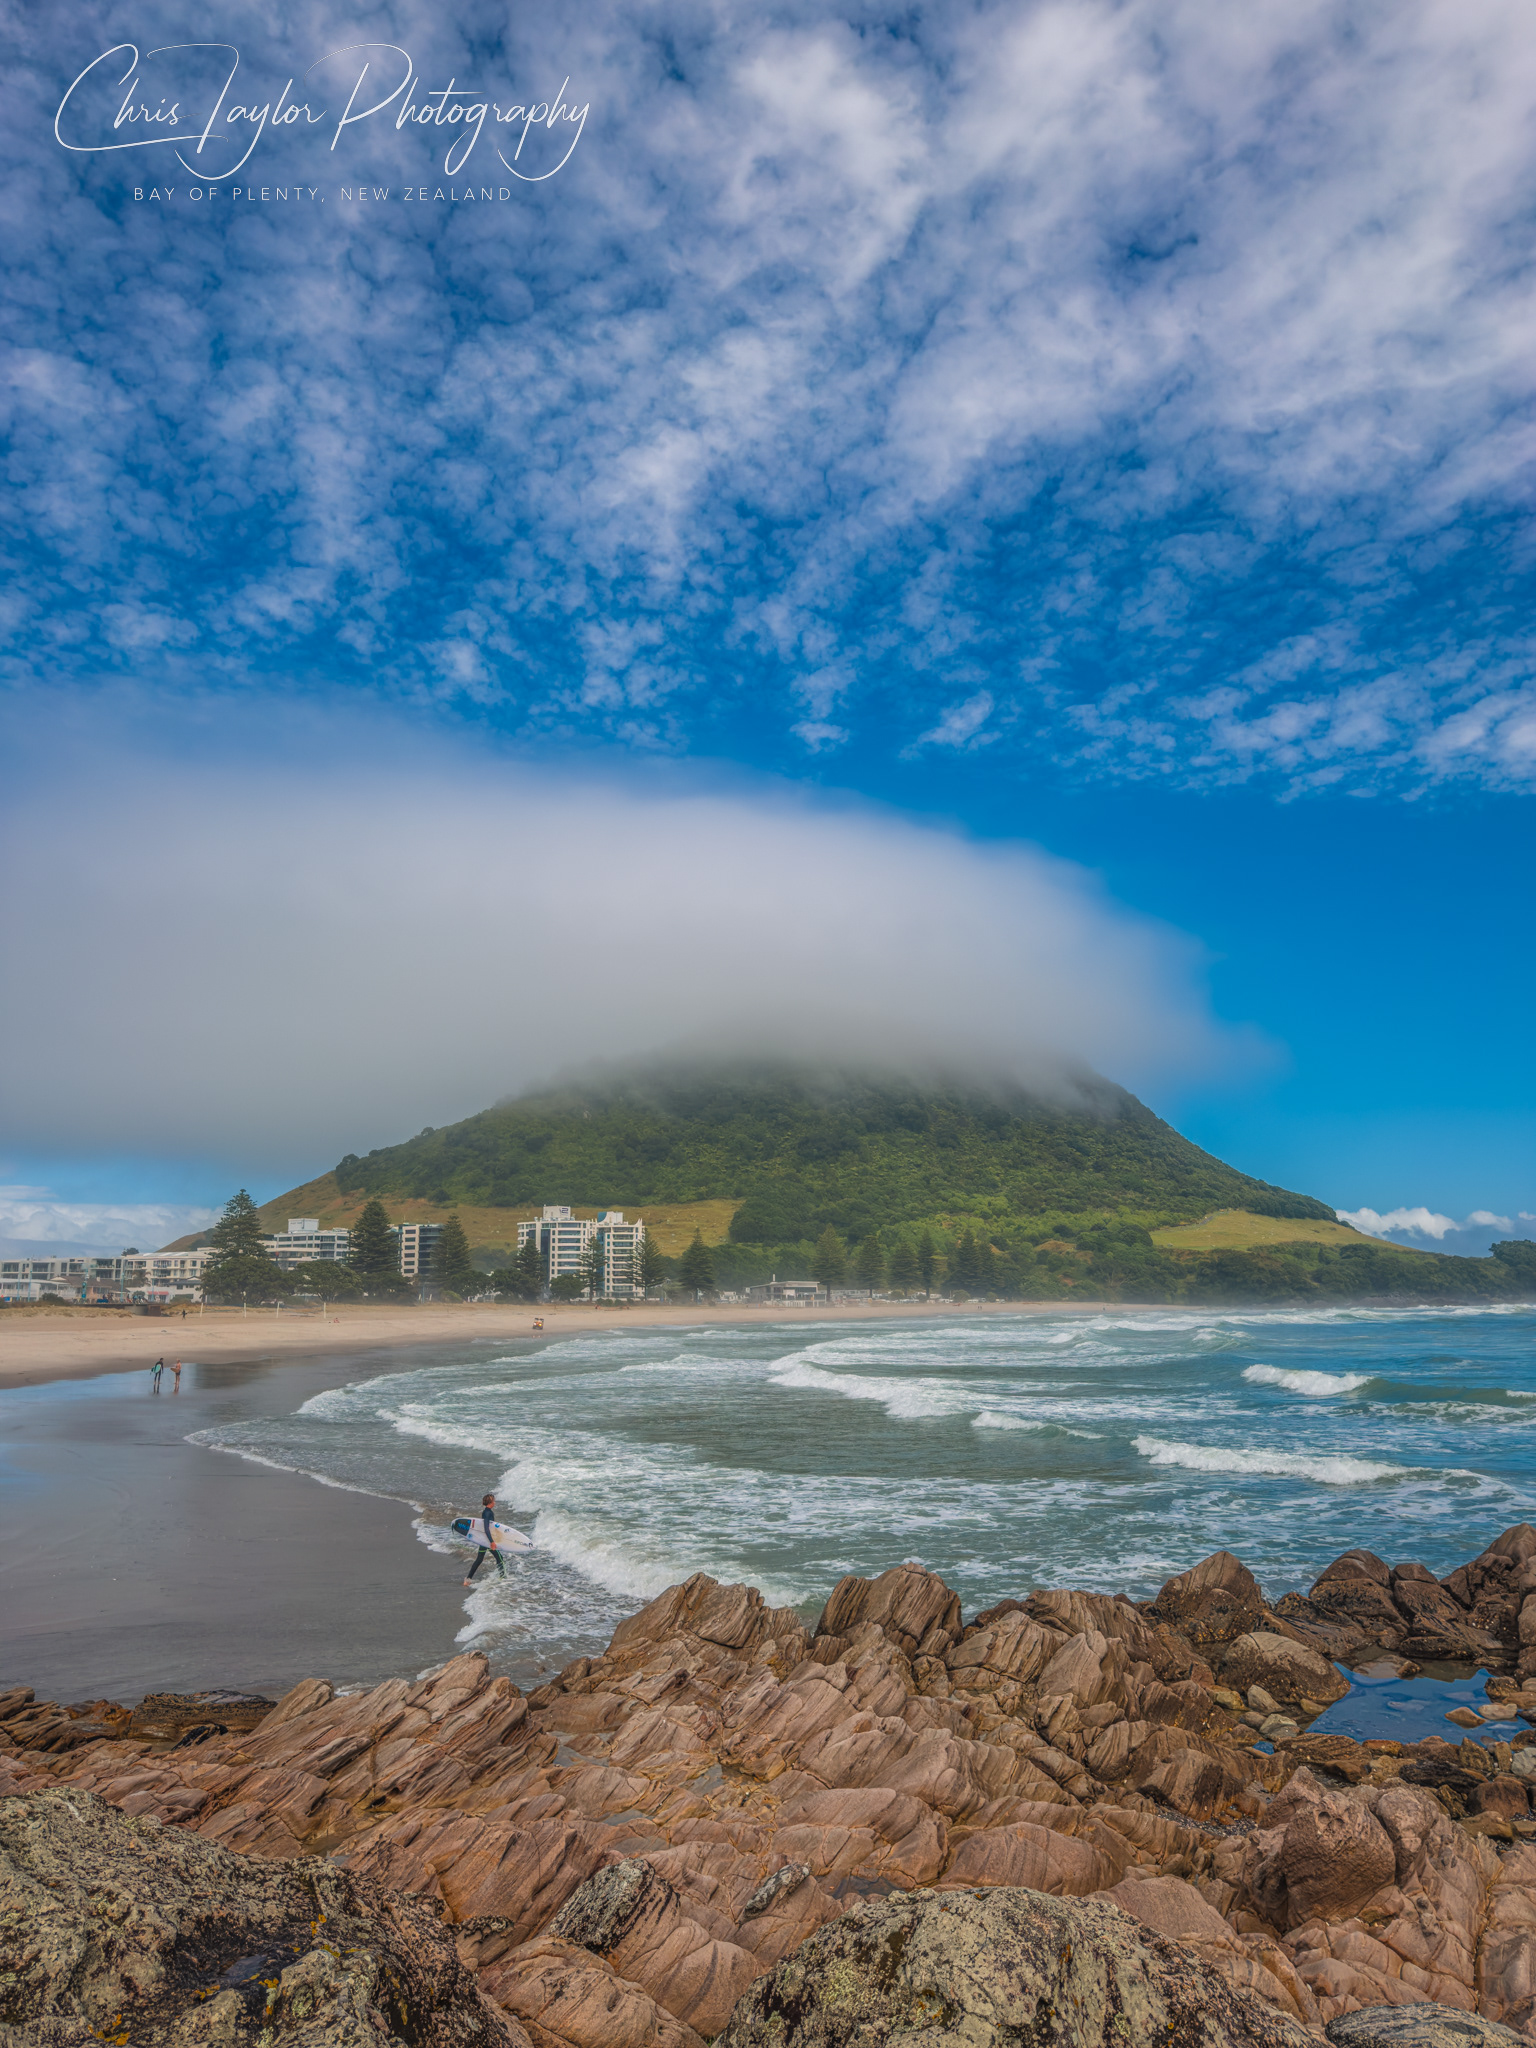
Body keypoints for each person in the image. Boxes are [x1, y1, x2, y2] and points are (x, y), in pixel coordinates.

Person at [463, 1492, 506, 1586]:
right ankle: (503, 1579)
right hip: (487, 1540)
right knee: (500, 1558)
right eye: (493, 1501)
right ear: (490, 1502)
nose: (494, 1502)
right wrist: (491, 1542)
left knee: (479, 1559)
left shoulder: (487, 1511)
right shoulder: (487, 1513)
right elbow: (486, 1528)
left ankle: (468, 1580)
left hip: (484, 1540)